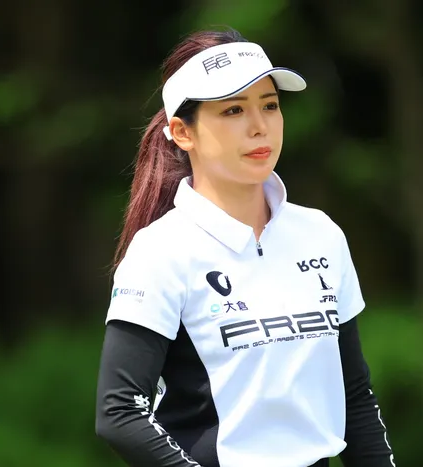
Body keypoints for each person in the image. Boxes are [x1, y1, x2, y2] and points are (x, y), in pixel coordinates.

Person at [95, 28, 396, 467]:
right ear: (182, 132)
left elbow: (354, 396)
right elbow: (120, 413)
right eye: (233, 109)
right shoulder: (161, 251)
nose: (259, 126)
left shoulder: (321, 235)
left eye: (269, 105)